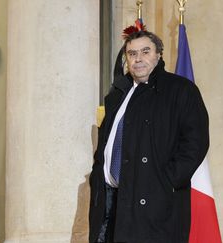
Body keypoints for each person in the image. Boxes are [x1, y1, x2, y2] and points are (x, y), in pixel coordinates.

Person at [89, 27, 209, 243]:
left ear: (159, 54)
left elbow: (195, 143)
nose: (138, 59)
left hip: (155, 203)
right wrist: (99, 176)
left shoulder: (181, 90)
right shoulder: (118, 94)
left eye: (145, 51)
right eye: (132, 54)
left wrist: (164, 181)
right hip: (111, 203)